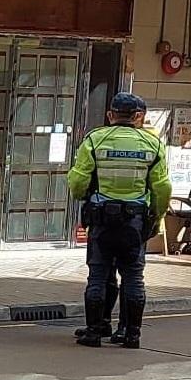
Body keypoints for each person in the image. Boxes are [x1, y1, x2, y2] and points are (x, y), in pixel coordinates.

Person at [67, 92, 171, 349]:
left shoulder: (95, 139)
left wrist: (83, 195)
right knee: (134, 277)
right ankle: (131, 334)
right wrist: (156, 216)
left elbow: (78, 182)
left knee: (99, 276)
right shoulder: (153, 145)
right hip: (134, 224)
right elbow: (163, 188)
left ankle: (94, 331)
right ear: (138, 116)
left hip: (101, 222)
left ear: (110, 115)